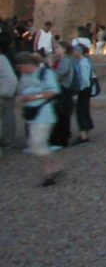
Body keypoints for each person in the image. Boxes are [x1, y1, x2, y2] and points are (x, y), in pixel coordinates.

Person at [15, 52, 61, 186]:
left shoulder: (45, 73)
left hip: (44, 112)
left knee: (37, 142)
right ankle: (55, 165)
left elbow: (54, 91)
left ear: (24, 65)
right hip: (32, 113)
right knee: (37, 143)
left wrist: (33, 97)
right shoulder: (24, 76)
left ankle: (48, 173)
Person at [51, 40, 81, 148]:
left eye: (58, 48)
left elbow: (59, 73)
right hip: (62, 89)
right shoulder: (62, 60)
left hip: (63, 89)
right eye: (55, 48)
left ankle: (60, 141)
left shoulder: (65, 61)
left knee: (62, 115)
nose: (56, 50)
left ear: (63, 49)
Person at [72, 42, 96, 144]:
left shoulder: (83, 62)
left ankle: (83, 135)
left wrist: (78, 90)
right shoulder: (84, 61)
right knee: (84, 110)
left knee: (81, 111)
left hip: (84, 89)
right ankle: (85, 131)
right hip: (86, 89)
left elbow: (84, 79)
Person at [0, 41, 18, 150]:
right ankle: (8, 139)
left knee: (6, 114)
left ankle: (8, 140)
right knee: (8, 114)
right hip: (10, 87)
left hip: (5, 89)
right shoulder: (2, 57)